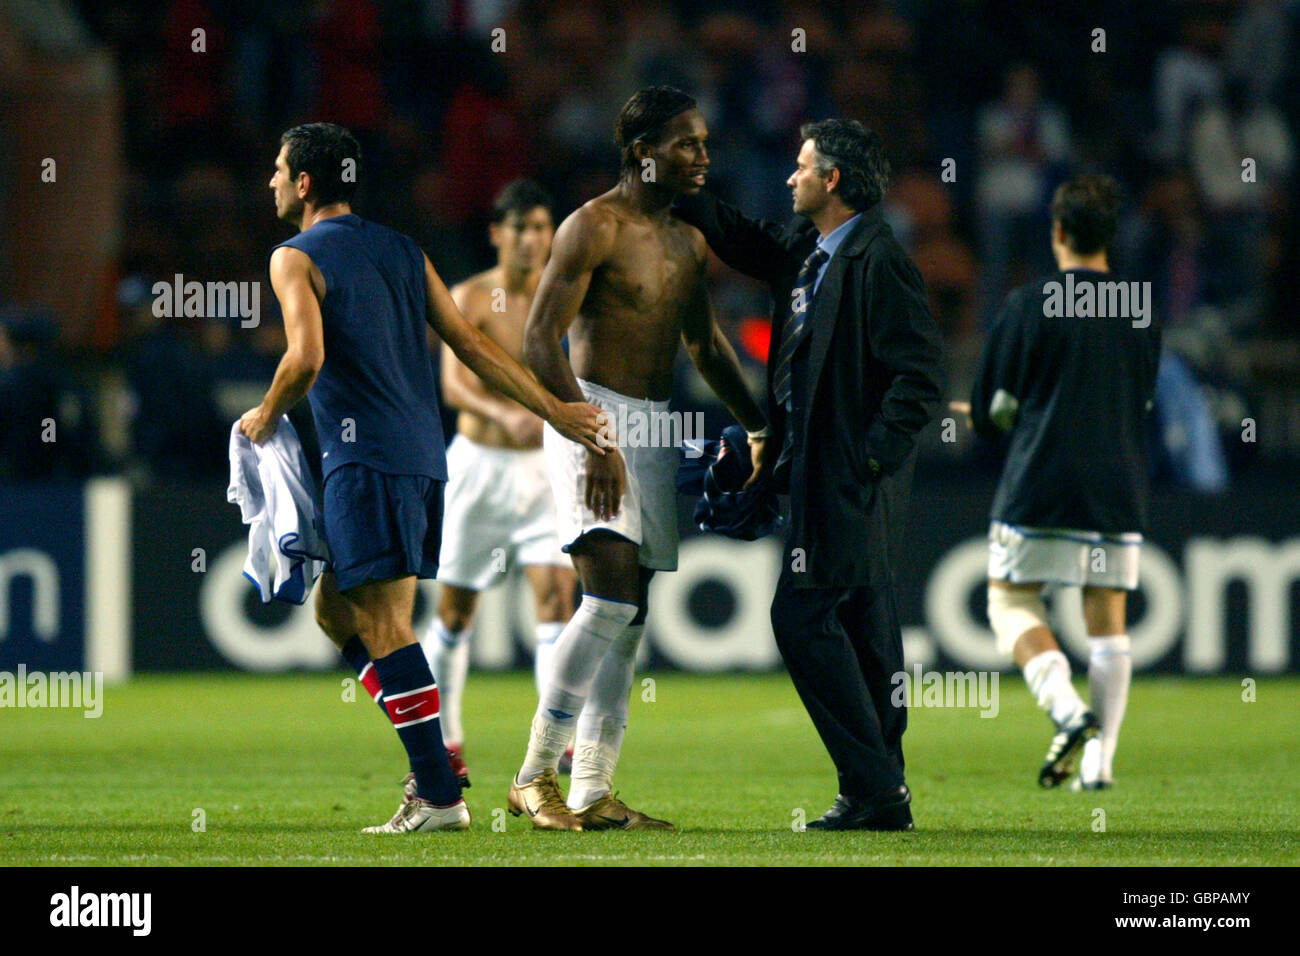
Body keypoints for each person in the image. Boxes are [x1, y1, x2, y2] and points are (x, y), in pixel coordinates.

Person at [238, 122, 606, 833]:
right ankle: (437, 763)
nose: (272, 181)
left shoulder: (293, 257)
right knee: (334, 610)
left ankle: (438, 793)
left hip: (366, 459)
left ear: (307, 183)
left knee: (385, 623)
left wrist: (264, 412)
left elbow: (306, 357)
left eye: (280, 169)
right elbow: (470, 346)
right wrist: (554, 408)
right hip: (423, 457)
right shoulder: (406, 249)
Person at [508, 86, 768, 831]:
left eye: (706, 144)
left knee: (630, 617)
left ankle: (591, 790)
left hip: (653, 425)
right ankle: (533, 778)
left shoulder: (689, 238)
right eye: (686, 143)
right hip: (590, 410)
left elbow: (705, 345)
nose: (702, 158)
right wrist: (590, 431)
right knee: (611, 594)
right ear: (640, 151)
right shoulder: (592, 226)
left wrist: (757, 425)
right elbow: (536, 342)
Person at [675, 119, 944, 831]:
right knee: (865, 628)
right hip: (816, 472)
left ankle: (877, 786)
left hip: (848, 479)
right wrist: (690, 196)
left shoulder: (878, 260)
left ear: (831, 181)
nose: (789, 177)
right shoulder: (810, 251)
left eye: (801, 167)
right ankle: (881, 790)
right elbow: (748, 240)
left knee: (801, 618)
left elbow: (920, 378)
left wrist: (870, 460)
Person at [961, 173, 1160, 790]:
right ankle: (1100, 765)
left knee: (1010, 599)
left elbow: (996, 407)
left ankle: (1067, 709)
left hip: (1041, 482)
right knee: (1109, 623)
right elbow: (1143, 400)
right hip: (1117, 485)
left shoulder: (1029, 302)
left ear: (1058, 231)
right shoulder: (1141, 309)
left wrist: (989, 420)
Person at [423, 180, 578, 788]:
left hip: (544, 469)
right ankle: (446, 739)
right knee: (457, 610)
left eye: (543, 227)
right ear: (497, 233)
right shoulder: (471, 295)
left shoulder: (563, 297)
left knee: (557, 599)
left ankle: (555, 742)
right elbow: (454, 385)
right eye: (523, 228)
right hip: (479, 467)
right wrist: (502, 412)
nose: (535, 239)